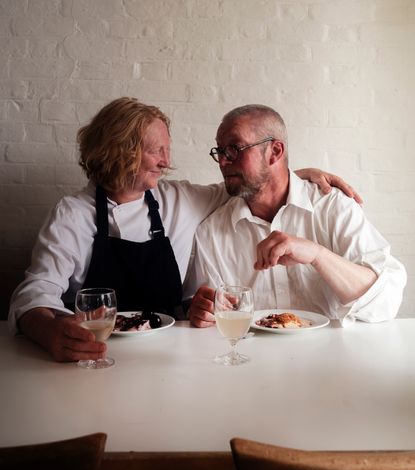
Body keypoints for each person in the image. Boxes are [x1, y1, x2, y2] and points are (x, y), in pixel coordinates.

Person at [8, 97, 360, 363]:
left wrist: (297, 173)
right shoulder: (73, 215)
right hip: (94, 354)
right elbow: (35, 293)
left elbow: (251, 183)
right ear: (119, 151)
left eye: (167, 149)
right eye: (156, 150)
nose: (166, 161)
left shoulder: (178, 199)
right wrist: (49, 332)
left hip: (168, 358)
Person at [187, 104, 406, 328]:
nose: (223, 161)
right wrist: (204, 312)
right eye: (220, 151)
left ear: (275, 152)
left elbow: (385, 302)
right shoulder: (211, 233)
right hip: (252, 360)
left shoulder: (333, 207)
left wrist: (317, 255)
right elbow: (214, 327)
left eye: (234, 148)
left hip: (333, 359)